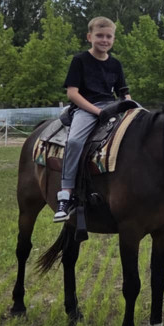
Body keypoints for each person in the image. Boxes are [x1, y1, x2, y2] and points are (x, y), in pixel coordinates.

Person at [55, 17, 131, 222]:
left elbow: (123, 92)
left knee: (145, 125)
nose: (104, 40)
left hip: (112, 106)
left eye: (108, 36)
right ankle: (66, 194)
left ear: (113, 39)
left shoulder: (116, 64)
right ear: (89, 37)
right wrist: (97, 113)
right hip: (86, 108)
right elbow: (72, 93)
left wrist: (131, 106)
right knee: (75, 141)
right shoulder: (80, 60)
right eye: (99, 35)